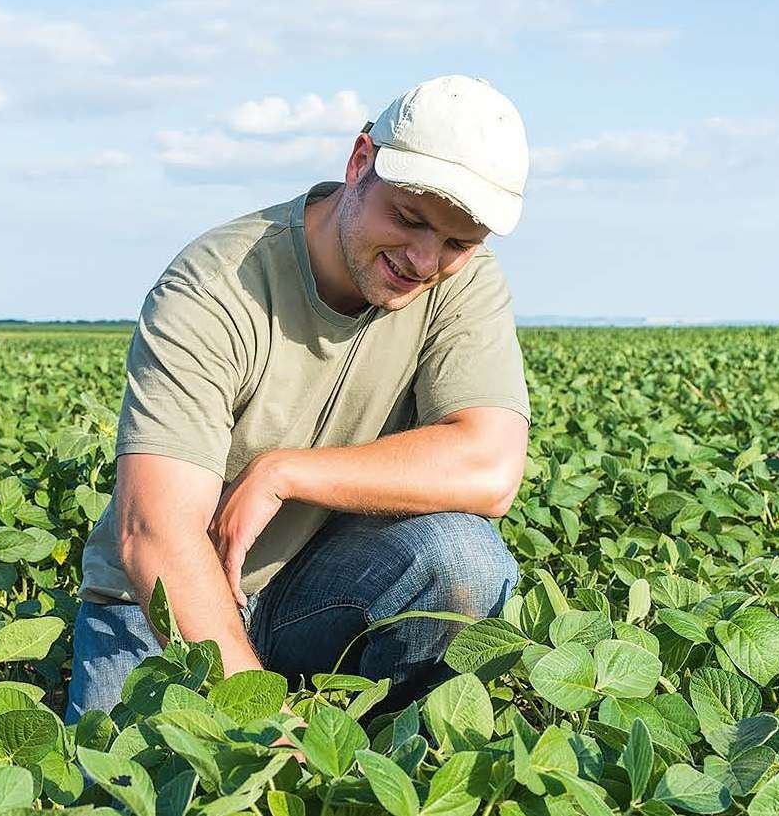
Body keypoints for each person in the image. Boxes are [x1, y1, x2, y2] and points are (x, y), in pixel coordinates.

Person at [65, 75, 532, 723]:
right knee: (130, 791)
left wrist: (284, 472)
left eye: (457, 242)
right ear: (360, 161)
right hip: (162, 599)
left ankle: (369, 763)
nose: (424, 260)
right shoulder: (216, 286)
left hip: (313, 589)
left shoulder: (462, 280)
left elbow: (490, 466)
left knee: (465, 561)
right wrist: (261, 724)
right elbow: (157, 535)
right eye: (408, 217)